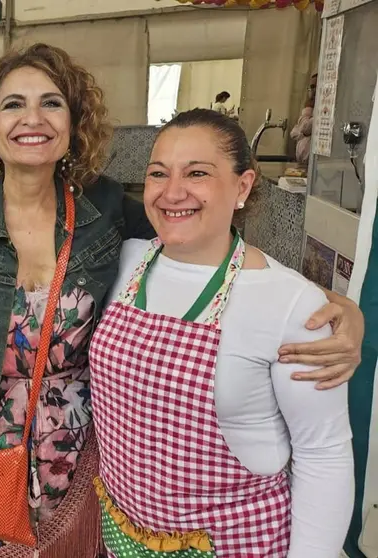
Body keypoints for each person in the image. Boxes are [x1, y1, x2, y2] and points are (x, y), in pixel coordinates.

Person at [0, 43, 363, 557]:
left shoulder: (105, 212)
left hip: (87, 464)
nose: (32, 118)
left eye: (51, 102)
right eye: (14, 103)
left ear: (74, 121)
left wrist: (326, 305)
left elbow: (204, 247)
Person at [90, 108, 354, 556]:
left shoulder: (290, 303)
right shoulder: (122, 260)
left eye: (197, 173)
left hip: (237, 543)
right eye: (158, 174)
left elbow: (323, 454)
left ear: (243, 186)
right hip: (124, 538)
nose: (173, 192)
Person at [291, 73, 317, 166]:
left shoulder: (316, 112)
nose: (312, 91)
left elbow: (305, 127)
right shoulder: (311, 111)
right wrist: (304, 133)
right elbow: (294, 133)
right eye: (311, 87)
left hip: (314, 165)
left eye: (315, 86)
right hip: (302, 164)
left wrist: (307, 110)